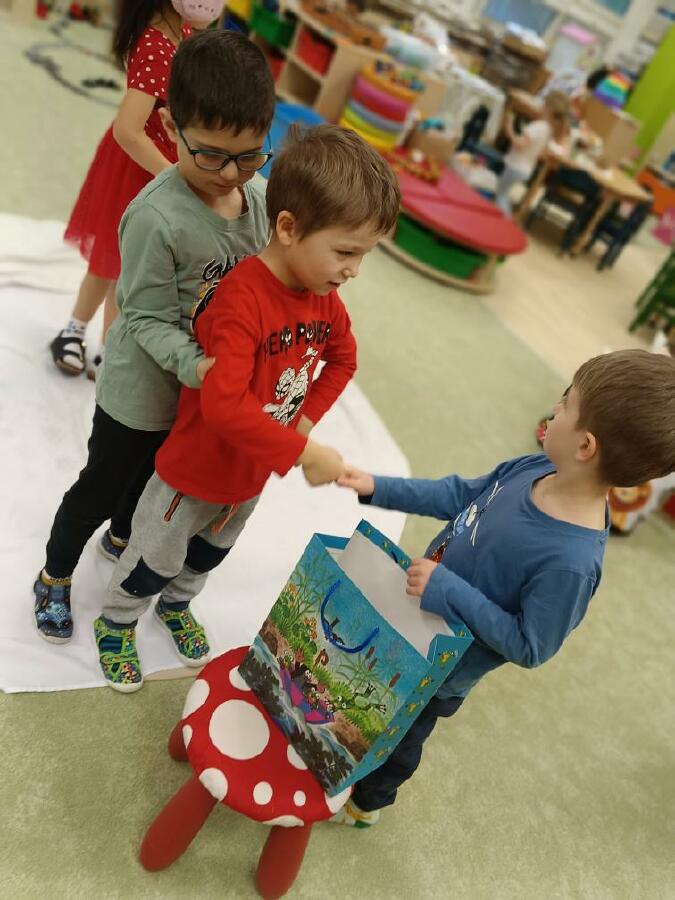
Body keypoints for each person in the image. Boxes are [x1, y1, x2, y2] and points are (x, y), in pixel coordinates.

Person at [93, 124, 402, 691]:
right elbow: (224, 407)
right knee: (154, 556)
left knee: (210, 553)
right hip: (193, 472)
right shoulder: (241, 301)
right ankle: (116, 621)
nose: (354, 270)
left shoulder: (324, 300)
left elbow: (343, 360)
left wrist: (302, 420)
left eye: (364, 255)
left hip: (249, 475)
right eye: (345, 252)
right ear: (287, 227)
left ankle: (177, 605)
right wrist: (301, 450)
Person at [334, 349, 675, 826]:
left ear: (585, 445)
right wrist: (376, 486)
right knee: (364, 700)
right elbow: (459, 495)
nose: (554, 408)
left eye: (566, 402)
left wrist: (448, 591)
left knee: (399, 737)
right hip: (410, 622)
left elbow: (530, 645)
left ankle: (368, 803)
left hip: (440, 672)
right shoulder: (535, 468)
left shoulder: (570, 563)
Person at [33, 29, 276, 643]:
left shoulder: (256, 202)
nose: (231, 174)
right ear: (170, 127)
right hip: (141, 392)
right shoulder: (155, 217)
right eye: (212, 156)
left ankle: (123, 535)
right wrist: (199, 367)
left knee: (153, 485)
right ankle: (55, 574)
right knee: (101, 487)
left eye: (250, 156)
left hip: (199, 397)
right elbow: (140, 318)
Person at [52, 0, 224, 377]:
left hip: (155, 164)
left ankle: (104, 345)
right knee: (116, 265)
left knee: (125, 268)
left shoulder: (182, 34)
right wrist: (173, 176)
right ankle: (82, 334)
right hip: (136, 169)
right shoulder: (156, 46)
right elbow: (128, 130)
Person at [494, 90, 570, 216]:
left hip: (515, 167)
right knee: (503, 193)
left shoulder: (538, 126)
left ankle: (504, 221)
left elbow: (519, 145)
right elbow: (540, 154)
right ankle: (502, 219)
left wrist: (509, 130)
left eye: (544, 104)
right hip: (525, 169)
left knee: (501, 195)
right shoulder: (548, 131)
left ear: (548, 109)